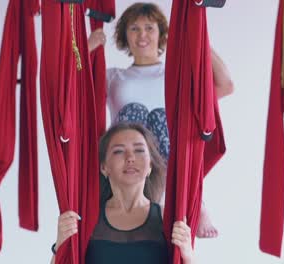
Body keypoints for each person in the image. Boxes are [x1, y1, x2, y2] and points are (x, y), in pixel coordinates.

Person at [88, 2, 233, 238]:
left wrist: (197, 36)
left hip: (164, 166)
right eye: (134, 28)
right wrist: (88, 46)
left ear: (162, 34)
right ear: (125, 35)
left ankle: (194, 198)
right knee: (134, 112)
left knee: (160, 116)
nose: (142, 34)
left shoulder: (177, 75)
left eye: (149, 27)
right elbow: (69, 91)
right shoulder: (113, 76)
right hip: (125, 163)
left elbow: (225, 85)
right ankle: (129, 197)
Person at [51, 123, 195, 264]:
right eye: (119, 151)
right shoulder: (86, 220)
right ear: (104, 167)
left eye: (139, 150)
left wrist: (188, 257)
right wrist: (59, 246)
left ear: (150, 165)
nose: (130, 158)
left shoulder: (168, 219)